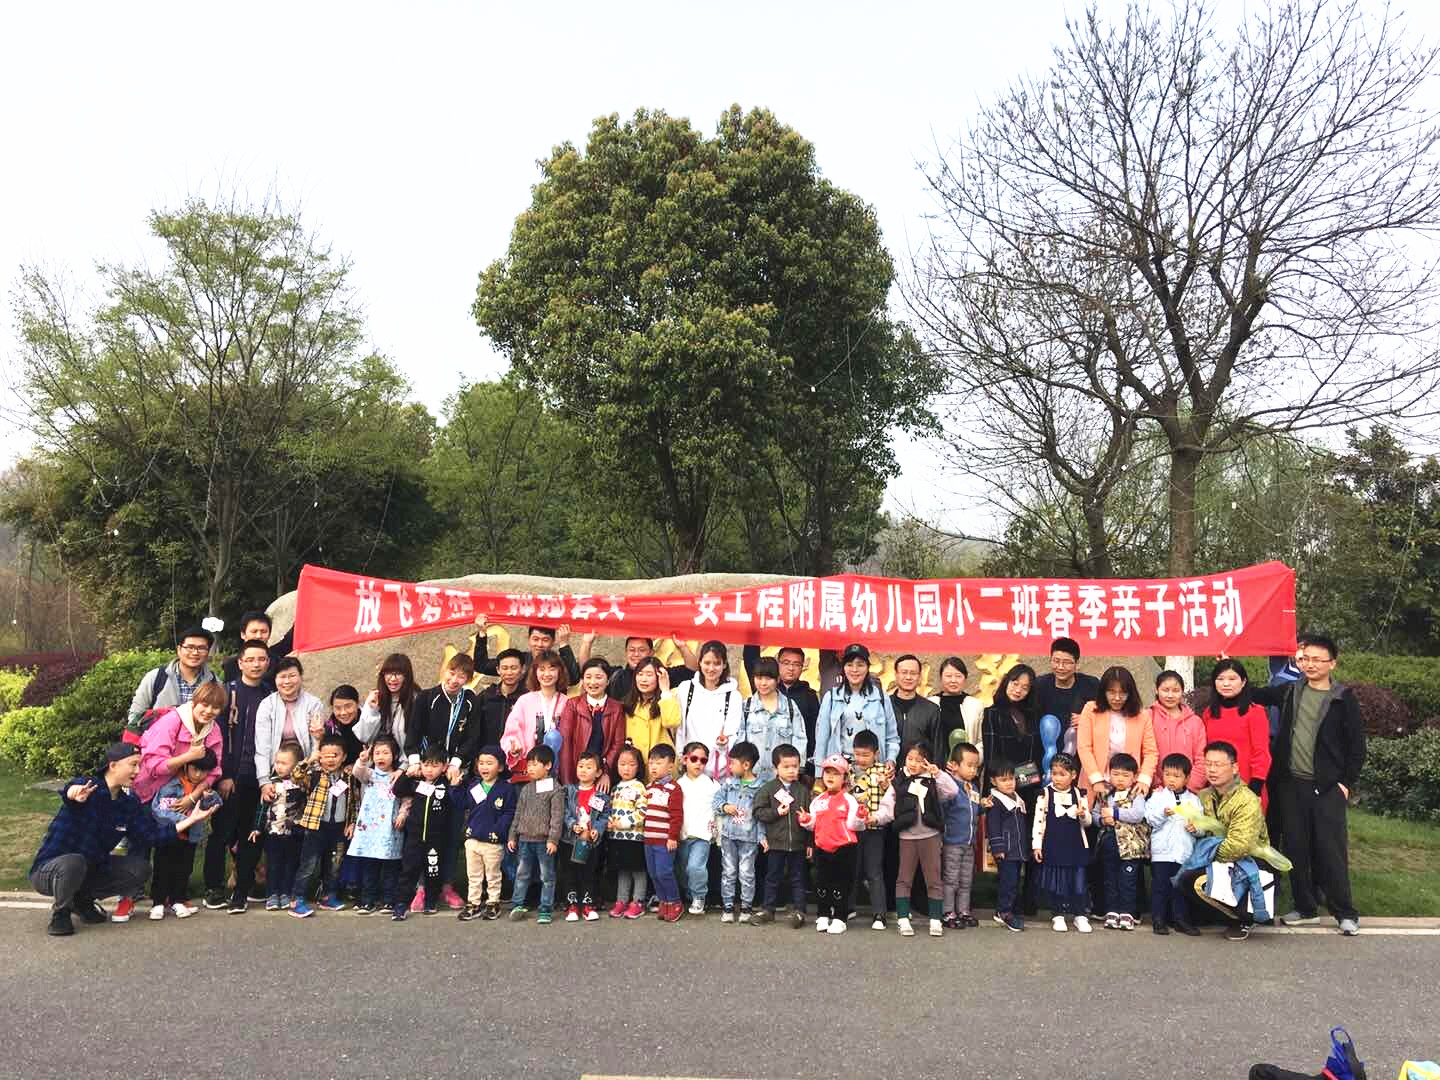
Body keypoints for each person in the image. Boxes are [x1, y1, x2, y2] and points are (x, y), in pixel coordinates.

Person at [30, 742, 219, 936]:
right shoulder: (89, 786)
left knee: (139, 869)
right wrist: (73, 793)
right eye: (133, 765)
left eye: (139, 765)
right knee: (74, 862)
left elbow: (151, 836)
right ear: (113, 765)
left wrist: (191, 820)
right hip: (50, 870)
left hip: (91, 868)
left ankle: (81, 899)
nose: (138, 771)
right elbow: (70, 791)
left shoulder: (128, 804)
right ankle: (60, 913)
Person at [1251, 632, 1366, 936]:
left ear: (1332, 663)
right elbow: (1255, 694)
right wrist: (1228, 667)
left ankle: (1345, 912)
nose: (1310, 664)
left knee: (1331, 851)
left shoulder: (1343, 699)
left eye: (1317, 659)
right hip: (1292, 785)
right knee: (1296, 848)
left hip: (1327, 788)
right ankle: (1305, 908)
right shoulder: (1290, 691)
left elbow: (1357, 748)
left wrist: (1345, 783)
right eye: (1306, 659)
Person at [1183, 740, 1274, 941]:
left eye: (1218, 765)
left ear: (1234, 768)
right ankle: (1218, 913)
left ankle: (1243, 918)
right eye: (1208, 764)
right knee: (1182, 875)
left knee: (1193, 880)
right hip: (1220, 857)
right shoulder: (1204, 796)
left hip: (1249, 861)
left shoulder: (1247, 799)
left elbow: (1239, 846)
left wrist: (1205, 857)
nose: (1212, 770)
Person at [206, 638, 271, 910]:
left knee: (251, 833)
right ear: (241, 663)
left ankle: (243, 890)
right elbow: (216, 736)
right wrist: (224, 774)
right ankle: (214, 887)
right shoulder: (227, 692)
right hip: (231, 776)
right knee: (221, 833)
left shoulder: (270, 694)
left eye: (261, 659)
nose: (256, 664)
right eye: (250, 659)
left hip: (259, 777)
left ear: (268, 663)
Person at [876, 740, 959, 938]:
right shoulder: (899, 781)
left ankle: (935, 919)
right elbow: (887, 807)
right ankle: (903, 918)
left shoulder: (933, 781)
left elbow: (952, 792)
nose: (913, 763)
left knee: (934, 879)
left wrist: (938, 774)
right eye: (910, 759)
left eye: (919, 760)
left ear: (927, 761)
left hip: (930, 836)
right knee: (904, 878)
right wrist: (875, 818)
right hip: (907, 836)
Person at [980, 663, 1044, 913]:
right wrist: (998, 788)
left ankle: (1030, 899)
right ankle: (1007, 900)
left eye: (1025, 687)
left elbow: (1037, 753)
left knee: (1031, 841)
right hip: (1004, 790)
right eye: (1015, 684)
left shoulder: (1034, 715)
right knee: (1007, 848)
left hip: (1030, 789)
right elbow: (992, 756)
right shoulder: (992, 714)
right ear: (1006, 682)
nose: (1018, 690)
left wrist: (1027, 781)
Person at [289, 733, 360, 918]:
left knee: (334, 865)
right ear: (320, 756)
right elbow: (295, 776)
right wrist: (308, 761)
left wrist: (352, 822)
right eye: (326, 755)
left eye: (335, 755)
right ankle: (297, 900)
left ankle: (328, 896)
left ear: (344, 757)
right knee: (308, 865)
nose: (330, 759)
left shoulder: (349, 777)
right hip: (316, 827)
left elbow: (354, 801)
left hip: (339, 828)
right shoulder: (314, 775)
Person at [146, 748, 222, 920]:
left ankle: (178, 900)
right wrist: (186, 820)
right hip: (169, 836)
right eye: (195, 769)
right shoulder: (171, 785)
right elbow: (160, 810)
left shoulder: (202, 789)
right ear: (186, 766)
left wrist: (209, 797)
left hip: (190, 838)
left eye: (204, 771)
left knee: (184, 869)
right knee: (162, 868)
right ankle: (158, 902)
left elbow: (216, 804)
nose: (199, 775)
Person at [799, 753, 868, 935]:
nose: (830, 777)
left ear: (844, 778)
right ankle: (823, 915)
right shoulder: (818, 800)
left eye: (836, 773)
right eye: (827, 772)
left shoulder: (849, 799)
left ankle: (840, 918)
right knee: (821, 884)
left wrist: (860, 816)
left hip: (844, 848)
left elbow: (855, 826)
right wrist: (806, 820)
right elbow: (813, 824)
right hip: (822, 847)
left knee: (841, 885)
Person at [1030, 752, 1094, 933]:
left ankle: (1080, 915)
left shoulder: (1079, 794)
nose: (1057, 778)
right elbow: (1038, 820)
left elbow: (1088, 823)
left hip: (1075, 844)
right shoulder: (1045, 794)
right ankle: (1058, 914)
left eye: (1062, 774)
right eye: (1054, 773)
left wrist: (1083, 814)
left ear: (1073, 775)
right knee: (1057, 881)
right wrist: (1037, 845)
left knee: (1078, 881)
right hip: (1054, 844)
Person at [135, 681, 226, 807]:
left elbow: (214, 770)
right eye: (204, 705)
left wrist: (193, 797)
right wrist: (189, 756)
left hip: (184, 794)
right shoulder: (171, 721)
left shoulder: (213, 729)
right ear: (195, 702)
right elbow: (154, 765)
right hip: (149, 792)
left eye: (215, 708)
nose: (209, 711)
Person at [125, 625, 222, 739]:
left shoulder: (214, 682)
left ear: (208, 652)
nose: (195, 653)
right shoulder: (156, 677)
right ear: (179, 650)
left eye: (201, 648)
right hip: (157, 744)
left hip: (197, 745)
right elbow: (136, 715)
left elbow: (216, 719)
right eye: (190, 647)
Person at [752, 744, 812, 928]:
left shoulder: (802, 790)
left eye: (795, 766)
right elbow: (758, 812)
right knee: (772, 877)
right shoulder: (768, 789)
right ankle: (768, 909)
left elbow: (812, 818)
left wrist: (810, 842)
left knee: (798, 878)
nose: (791, 770)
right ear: (775, 768)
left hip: (798, 843)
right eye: (786, 767)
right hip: (776, 843)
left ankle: (799, 911)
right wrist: (776, 812)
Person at [391, 748, 455, 920]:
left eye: (435, 766)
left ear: (444, 767)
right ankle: (401, 904)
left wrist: (455, 784)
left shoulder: (446, 783)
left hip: (437, 838)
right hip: (415, 837)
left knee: (433, 871)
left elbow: (457, 801)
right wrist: (407, 774)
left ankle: (431, 901)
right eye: (426, 765)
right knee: (409, 870)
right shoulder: (416, 781)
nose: (429, 770)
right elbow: (397, 790)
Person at [244, 742, 308, 913]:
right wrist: (256, 827)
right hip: (273, 832)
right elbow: (262, 807)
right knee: (273, 864)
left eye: (284, 763)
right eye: (277, 762)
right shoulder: (270, 784)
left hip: (294, 832)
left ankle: (286, 893)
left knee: (291, 864)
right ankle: (272, 894)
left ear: (295, 765)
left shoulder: (302, 783)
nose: (279, 766)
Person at [1075, 666, 1158, 797]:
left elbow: (1150, 752)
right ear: (1103, 692)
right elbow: (1084, 747)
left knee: (1127, 810)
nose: (1117, 698)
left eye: (1123, 693)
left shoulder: (1142, 715)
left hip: (1129, 783)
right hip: (1094, 782)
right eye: (1112, 692)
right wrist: (1096, 779)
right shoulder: (1090, 710)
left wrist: (1144, 780)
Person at [455, 745, 516, 921]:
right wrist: (454, 787)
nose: (484, 767)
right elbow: (461, 803)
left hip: (493, 841)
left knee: (493, 874)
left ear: (501, 767)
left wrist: (498, 829)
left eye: (489, 763)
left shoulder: (506, 788)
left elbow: (510, 812)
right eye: (481, 763)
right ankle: (473, 903)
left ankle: (493, 902)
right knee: (473, 875)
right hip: (473, 838)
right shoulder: (474, 785)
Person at [1145, 752, 1202, 936]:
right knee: (1160, 886)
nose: (1171, 779)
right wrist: (1163, 814)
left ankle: (1180, 919)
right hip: (1162, 852)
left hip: (1183, 852)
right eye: (1167, 774)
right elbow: (1150, 819)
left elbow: (1201, 824)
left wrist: (1196, 828)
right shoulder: (1158, 796)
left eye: (1176, 776)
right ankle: (1158, 919)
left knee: (1180, 888)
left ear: (1187, 778)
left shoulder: (1193, 800)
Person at [506, 745, 565, 924]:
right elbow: (518, 814)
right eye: (528, 764)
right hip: (524, 839)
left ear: (548, 766)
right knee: (522, 874)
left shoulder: (556, 789)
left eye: (534, 764)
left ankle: (545, 908)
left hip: (544, 841)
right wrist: (512, 836)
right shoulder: (526, 789)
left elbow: (557, 817)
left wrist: (553, 839)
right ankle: (517, 904)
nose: (530, 768)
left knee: (547, 876)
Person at [1202, 659, 1273, 808]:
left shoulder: (1255, 712)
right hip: (1216, 788)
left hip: (1248, 786)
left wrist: (1255, 788)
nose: (1226, 684)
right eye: (1220, 679)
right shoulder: (1209, 713)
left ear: (1243, 682)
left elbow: (1261, 753)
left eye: (1232, 679)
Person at [744, 645, 822, 779]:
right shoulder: (763, 688)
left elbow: (811, 735)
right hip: (755, 772)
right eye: (786, 663)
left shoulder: (808, 696)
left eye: (796, 664)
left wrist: (802, 769)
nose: (791, 668)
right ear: (778, 663)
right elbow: (750, 658)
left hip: (785, 774)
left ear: (802, 667)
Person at [814, 643, 899, 765]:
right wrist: (819, 770)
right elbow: (821, 739)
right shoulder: (832, 697)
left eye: (860, 665)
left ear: (867, 667)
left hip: (872, 768)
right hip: (839, 767)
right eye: (849, 665)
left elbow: (892, 737)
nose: (854, 670)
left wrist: (890, 760)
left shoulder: (880, 697)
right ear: (843, 668)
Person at [347, 737, 405, 915]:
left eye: (386, 753)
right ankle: (367, 901)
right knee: (369, 866)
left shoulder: (398, 776)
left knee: (390, 867)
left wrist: (403, 813)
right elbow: (357, 772)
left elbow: (407, 798)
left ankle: (388, 900)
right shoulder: (370, 774)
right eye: (377, 753)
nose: (381, 757)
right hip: (370, 829)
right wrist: (362, 760)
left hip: (389, 829)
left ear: (394, 755)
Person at [1095, 751, 1148, 930]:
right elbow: (1095, 814)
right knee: (1110, 879)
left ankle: (1128, 913)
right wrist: (1102, 820)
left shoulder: (1136, 795)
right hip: (1109, 844)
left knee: (1128, 880)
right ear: (1109, 774)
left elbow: (1138, 814)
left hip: (1129, 847)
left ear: (1134, 777)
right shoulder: (1105, 795)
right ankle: (1112, 911)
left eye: (1125, 775)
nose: (1120, 779)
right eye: (1116, 774)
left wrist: (1115, 813)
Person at [675, 640, 743, 781]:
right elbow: (680, 728)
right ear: (699, 663)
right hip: (689, 767)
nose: (711, 668)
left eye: (717, 663)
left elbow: (732, 733)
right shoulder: (686, 689)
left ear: (724, 665)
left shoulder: (733, 696)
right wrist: (682, 756)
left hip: (719, 772)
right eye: (707, 663)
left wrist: (724, 743)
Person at [711, 739, 763, 923]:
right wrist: (724, 807)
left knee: (747, 873)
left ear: (746, 765)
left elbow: (762, 815)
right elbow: (716, 801)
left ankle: (746, 907)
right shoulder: (728, 783)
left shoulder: (761, 787)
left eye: (732, 762)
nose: (729, 766)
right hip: (728, 837)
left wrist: (762, 836)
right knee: (728, 872)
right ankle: (727, 906)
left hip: (749, 838)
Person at [252, 658, 326, 784]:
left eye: (292, 676)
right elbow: (262, 747)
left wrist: (313, 769)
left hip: (307, 770)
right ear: (275, 679)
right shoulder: (267, 705)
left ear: (300, 677)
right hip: (277, 772)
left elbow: (316, 741)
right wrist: (264, 780)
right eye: (282, 677)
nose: (287, 681)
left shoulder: (313, 703)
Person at [735, 656, 807, 784]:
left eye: (768, 679)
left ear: (778, 679)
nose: (763, 683)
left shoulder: (790, 707)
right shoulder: (746, 707)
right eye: (759, 678)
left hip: (781, 779)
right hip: (752, 778)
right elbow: (740, 741)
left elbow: (799, 740)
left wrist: (795, 772)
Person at [501, 649, 570, 781]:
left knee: (554, 736)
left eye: (552, 669)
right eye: (542, 669)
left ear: (560, 671)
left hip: (558, 771)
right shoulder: (524, 701)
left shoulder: (567, 703)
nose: (547, 674)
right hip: (529, 768)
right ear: (535, 672)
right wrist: (514, 748)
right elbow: (512, 731)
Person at [559, 751, 611, 921]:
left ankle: (588, 905)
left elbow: (604, 816)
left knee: (589, 873)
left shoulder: (601, 796)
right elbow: (564, 812)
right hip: (570, 840)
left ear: (598, 772)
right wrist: (572, 824)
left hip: (590, 842)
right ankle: (572, 905)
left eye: (589, 767)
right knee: (570, 873)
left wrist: (597, 829)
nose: (583, 770)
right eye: (580, 766)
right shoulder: (569, 791)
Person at [557, 658, 625, 786]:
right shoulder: (573, 704)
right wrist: (567, 781)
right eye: (588, 677)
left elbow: (617, 744)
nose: (593, 682)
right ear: (582, 680)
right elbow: (565, 743)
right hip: (577, 772)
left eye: (598, 677)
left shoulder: (616, 708)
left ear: (608, 680)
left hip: (602, 774)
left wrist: (605, 772)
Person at [848, 729, 890, 930]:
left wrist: (886, 785)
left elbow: (891, 797)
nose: (861, 759)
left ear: (876, 754)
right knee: (852, 869)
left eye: (866, 755)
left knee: (874, 871)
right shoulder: (848, 770)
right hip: (853, 828)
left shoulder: (883, 771)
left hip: (875, 828)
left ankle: (879, 913)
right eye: (857, 754)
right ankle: (847, 907)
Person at [471, 613, 583, 683]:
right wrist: (482, 633)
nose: (539, 644)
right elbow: (481, 666)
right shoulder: (519, 660)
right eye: (535, 639)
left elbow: (573, 679)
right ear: (528, 639)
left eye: (545, 640)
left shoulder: (558, 662)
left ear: (553, 642)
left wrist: (564, 644)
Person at [642, 743, 685, 923]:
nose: (654, 767)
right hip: (648, 840)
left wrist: (672, 837)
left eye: (659, 763)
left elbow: (676, 816)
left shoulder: (674, 788)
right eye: (651, 763)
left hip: (664, 841)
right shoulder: (648, 788)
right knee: (653, 873)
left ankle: (675, 902)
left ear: (670, 766)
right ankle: (664, 901)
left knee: (664, 872)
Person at [941, 742, 982, 929]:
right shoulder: (951, 786)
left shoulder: (974, 788)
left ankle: (964, 911)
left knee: (966, 880)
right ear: (955, 765)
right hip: (952, 842)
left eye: (976, 766)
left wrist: (983, 805)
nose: (973, 770)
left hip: (969, 843)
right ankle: (948, 912)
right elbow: (943, 811)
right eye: (969, 765)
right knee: (951, 879)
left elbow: (974, 811)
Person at [606, 746, 650, 919]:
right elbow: (609, 810)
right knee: (622, 870)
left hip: (634, 837)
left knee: (638, 870)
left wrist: (624, 823)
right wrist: (609, 823)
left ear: (638, 767)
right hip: (617, 837)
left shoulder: (639, 787)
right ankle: (621, 901)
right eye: (622, 764)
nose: (626, 768)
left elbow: (642, 811)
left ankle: (638, 901)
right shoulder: (615, 788)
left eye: (631, 764)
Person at [675, 740, 718, 914]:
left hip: (702, 836)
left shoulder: (712, 783)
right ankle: (689, 894)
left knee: (695, 867)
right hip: (682, 835)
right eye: (694, 759)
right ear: (685, 759)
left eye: (703, 760)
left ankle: (699, 896)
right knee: (683, 870)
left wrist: (718, 833)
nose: (698, 763)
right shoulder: (678, 784)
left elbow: (719, 807)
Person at [985, 761, 1028, 932]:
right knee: (1008, 882)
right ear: (993, 781)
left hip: (1017, 849)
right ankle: (1004, 911)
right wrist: (998, 848)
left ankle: (1009, 908)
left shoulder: (1017, 798)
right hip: (1006, 850)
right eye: (1003, 780)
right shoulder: (995, 802)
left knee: (1014, 881)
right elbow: (993, 826)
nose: (1009, 783)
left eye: (1011, 779)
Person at [1150, 670, 1207, 793]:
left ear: (1182, 692)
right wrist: (1156, 785)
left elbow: (1201, 758)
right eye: (1165, 690)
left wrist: (1188, 787)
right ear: (1156, 690)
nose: (1170, 695)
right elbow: (1144, 754)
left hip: (1188, 791)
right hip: (1156, 790)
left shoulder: (1195, 722)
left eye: (1175, 691)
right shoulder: (1148, 717)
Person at [1032, 636, 1102, 735]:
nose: (1060, 667)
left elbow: (1104, 714)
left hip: (1079, 741)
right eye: (1056, 661)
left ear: (1077, 664)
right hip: (1045, 742)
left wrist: (1088, 719)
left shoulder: (1091, 685)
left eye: (1066, 662)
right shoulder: (1039, 685)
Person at [621, 657, 681, 761]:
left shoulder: (668, 698)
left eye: (649, 675)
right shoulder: (628, 703)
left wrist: (665, 689)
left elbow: (671, 722)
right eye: (640, 674)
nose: (643, 679)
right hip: (636, 765)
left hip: (661, 763)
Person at [357, 653, 417, 749]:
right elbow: (363, 736)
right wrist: (373, 711)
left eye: (398, 674)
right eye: (388, 673)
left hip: (408, 756)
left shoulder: (416, 699)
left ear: (407, 676)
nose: (393, 679)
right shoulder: (375, 697)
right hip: (380, 756)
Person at [219, 609, 294, 683]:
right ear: (243, 634)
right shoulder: (231, 665)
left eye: (263, 631)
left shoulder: (277, 660)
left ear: (270, 634)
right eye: (254, 631)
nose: (259, 636)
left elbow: (293, 635)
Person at [892, 654, 942, 763]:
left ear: (919, 676)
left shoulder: (931, 710)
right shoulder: (884, 706)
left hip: (919, 771)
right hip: (887, 770)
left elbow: (938, 749)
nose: (908, 677)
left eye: (913, 673)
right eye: (904, 672)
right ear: (896, 675)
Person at [609, 636, 695, 700]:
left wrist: (682, 647)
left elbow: (691, 670)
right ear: (626, 653)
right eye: (631, 650)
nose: (636, 654)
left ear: (651, 653)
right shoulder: (616, 676)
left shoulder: (661, 675)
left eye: (642, 650)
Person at [931, 656, 984, 761]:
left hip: (965, 766)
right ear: (941, 678)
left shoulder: (975, 705)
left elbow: (982, 741)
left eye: (958, 676)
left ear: (965, 678)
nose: (953, 680)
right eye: (948, 676)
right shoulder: (931, 703)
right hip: (935, 765)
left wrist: (969, 761)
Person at [476, 648, 527, 750]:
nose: (509, 672)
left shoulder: (527, 699)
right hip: (487, 755)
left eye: (513, 668)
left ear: (523, 669)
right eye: (504, 668)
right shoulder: (486, 696)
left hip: (516, 753)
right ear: (498, 670)